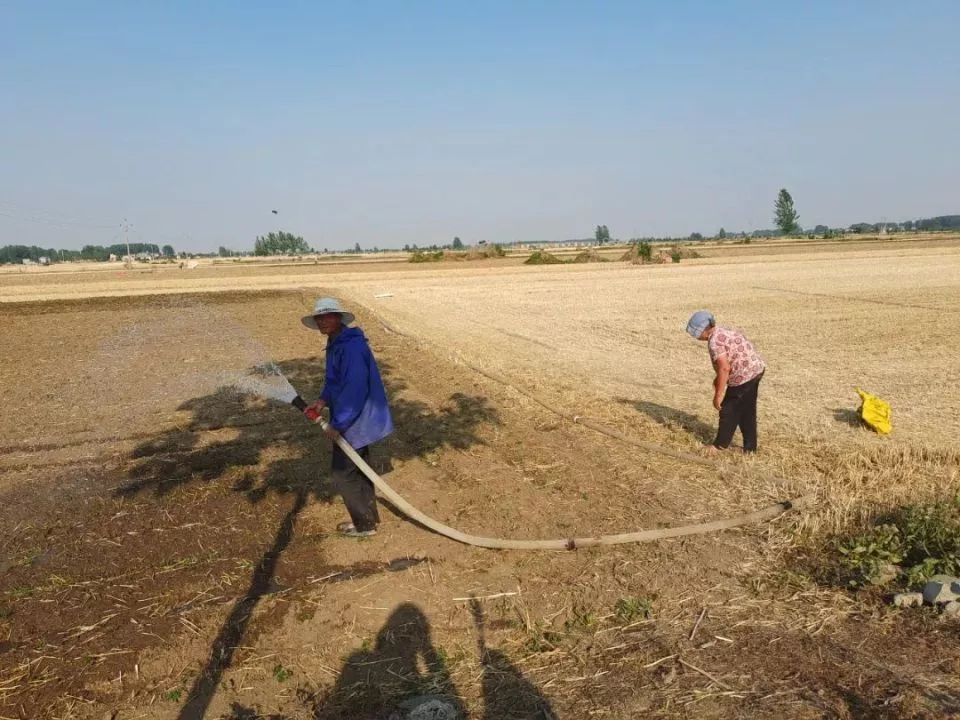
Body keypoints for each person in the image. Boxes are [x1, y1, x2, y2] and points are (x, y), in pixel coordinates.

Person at [291, 297, 394, 537]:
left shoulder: (350, 347)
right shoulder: (336, 341)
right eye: (319, 318)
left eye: (328, 316)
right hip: (355, 415)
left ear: (339, 318)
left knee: (343, 472)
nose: (323, 321)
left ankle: (364, 526)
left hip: (358, 417)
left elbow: (354, 389)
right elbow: (335, 380)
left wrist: (338, 424)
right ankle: (368, 520)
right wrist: (323, 400)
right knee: (359, 469)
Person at [685, 310, 766, 453]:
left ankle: (719, 446)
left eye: (695, 333)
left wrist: (718, 395)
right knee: (747, 411)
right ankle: (750, 448)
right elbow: (730, 358)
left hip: (743, 377)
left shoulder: (714, 342)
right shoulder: (724, 330)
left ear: (702, 331)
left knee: (728, 410)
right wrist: (717, 380)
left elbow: (724, 368)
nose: (695, 337)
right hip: (756, 369)